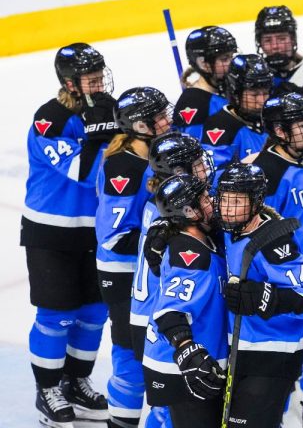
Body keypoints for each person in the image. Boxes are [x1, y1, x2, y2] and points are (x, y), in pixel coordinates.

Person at [24, 42, 118, 427]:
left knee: (94, 314)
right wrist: (98, 135)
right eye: (90, 78)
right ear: (70, 82)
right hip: (52, 234)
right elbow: (81, 171)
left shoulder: (108, 109)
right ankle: (48, 389)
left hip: (95, 232)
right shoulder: (49, 119)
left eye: (100, 76)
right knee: (56, 315)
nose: (98, 84)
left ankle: (76, 382)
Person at [216, 162, 303, 427]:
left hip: (273, 356)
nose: (228, 209)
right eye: (224, 200)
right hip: (242, 351)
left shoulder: (273, 242)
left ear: (255, 202)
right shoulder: (231, 230)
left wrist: (262, 296)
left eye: (237, 201)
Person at [252, 92, 303, 425]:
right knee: (281, 361)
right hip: (282, 283)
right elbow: (259, 236)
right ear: (280, 132)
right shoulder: (266, 172)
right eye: (301, 125)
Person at [94, 86, 172, 427]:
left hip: (146, 273)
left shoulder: (156, 155)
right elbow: (114, 236)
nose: (167, 121)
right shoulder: (123, 166)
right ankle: (121, 422)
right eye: (158, 117)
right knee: (129, 351)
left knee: (151, 348)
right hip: (123, 273)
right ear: (139, 126)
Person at [131, 131, 213, 427]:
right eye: (198, 164)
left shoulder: (163, 206)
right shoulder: (179, 222)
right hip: (164, 323)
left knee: (166, 411)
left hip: (151, 318)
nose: (205, 168)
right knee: (170, 413)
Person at [141, 174, 228, 427]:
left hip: (186, 361)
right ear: (190, 211)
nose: (212, 202)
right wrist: (187, 351)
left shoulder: (207, 241)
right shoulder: (188, 253)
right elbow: (170, 313)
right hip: (181, 366)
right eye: (205, 199)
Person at [200, 53, 273, 169]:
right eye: (254, 95)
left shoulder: (274, 117)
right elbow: (213, 175)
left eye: (265, 93)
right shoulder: (219, 126)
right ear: (236, 94)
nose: (262, 101)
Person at [173, 26, 237, 138]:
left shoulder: (227, 89)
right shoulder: (194, 104)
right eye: (224, 59)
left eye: (232, 57)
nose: (232, 63)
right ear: (203, 64)